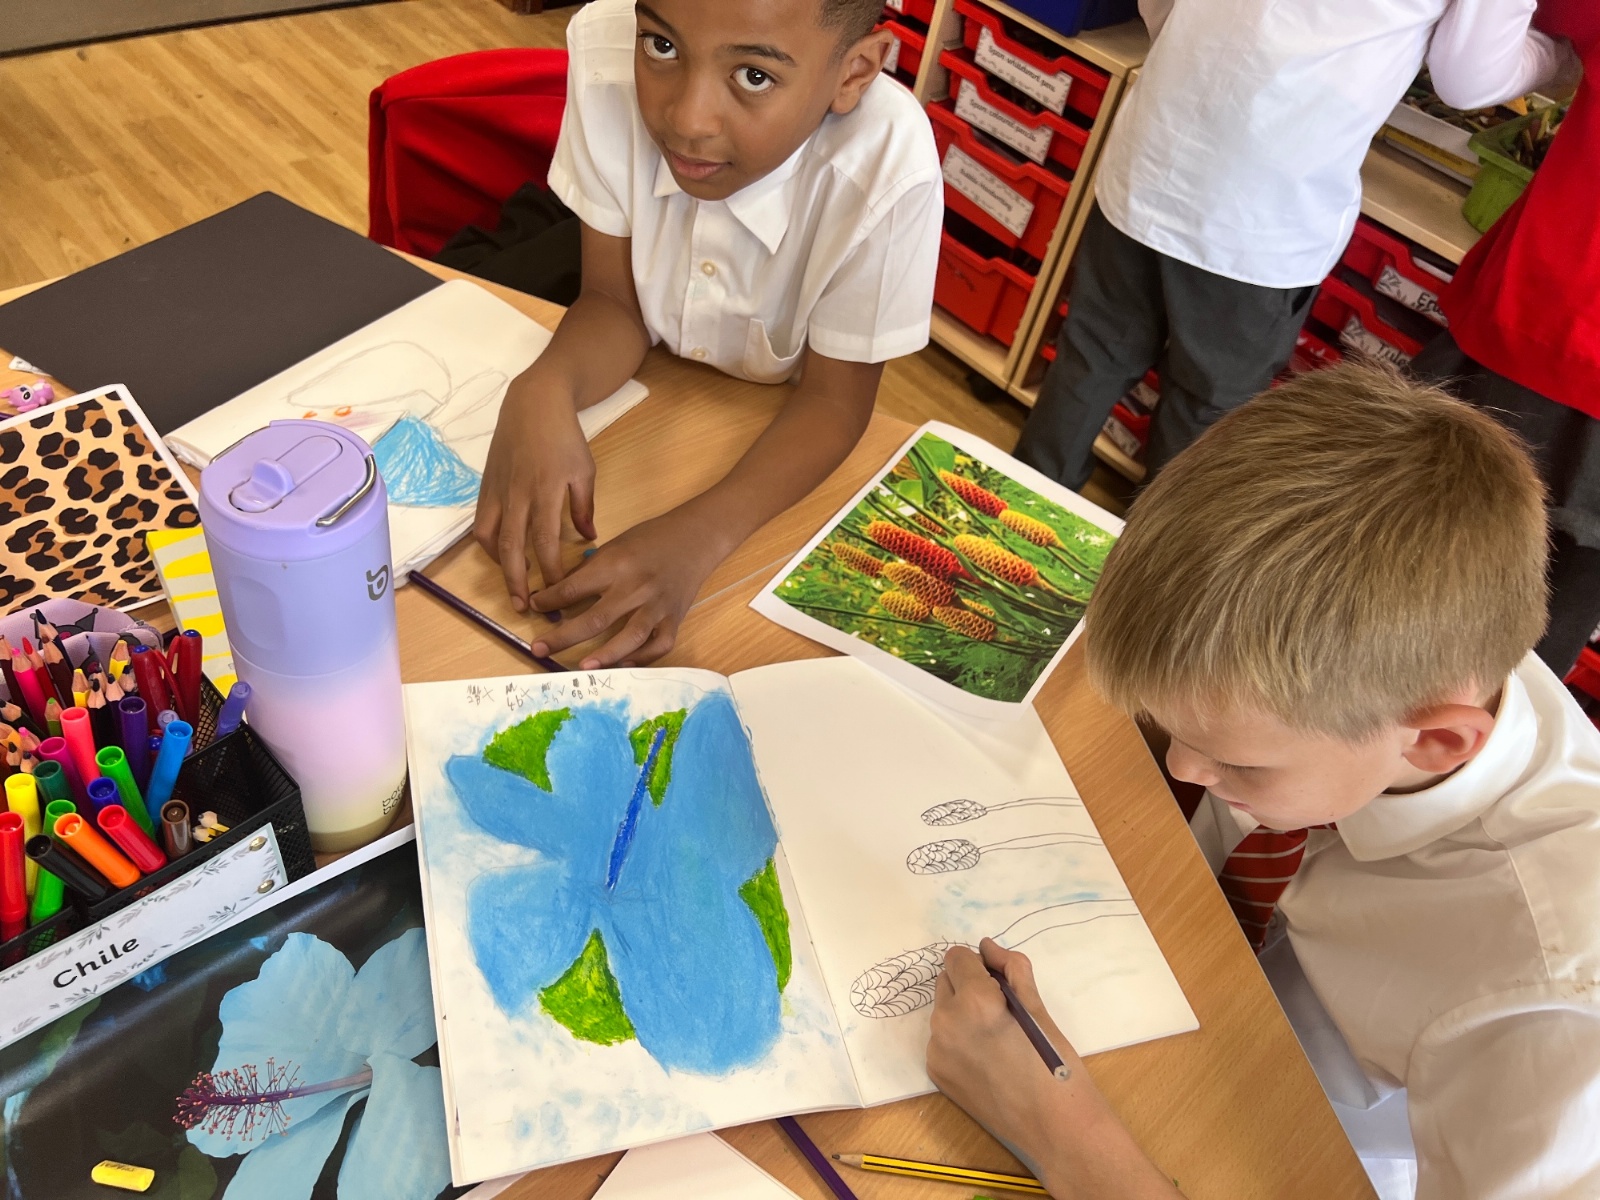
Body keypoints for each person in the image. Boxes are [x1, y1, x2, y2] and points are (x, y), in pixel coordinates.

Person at [929, 364, 1600, 1198]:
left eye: (1241, 764)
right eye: (1173, 730)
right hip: (1179, 969)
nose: (1183, 769)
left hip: (1297, 1148)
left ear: (1436, 743)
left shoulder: (1555, 997)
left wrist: (1061, 1136)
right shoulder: (1396, 657)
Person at [473, 0, 941, 668]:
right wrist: (544, 386)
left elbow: (834, 402)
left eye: (754, 76)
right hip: (659, 411)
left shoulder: (890, 165)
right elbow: (613, 302)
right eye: (661, 47)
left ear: (854, 72)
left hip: (770, 446)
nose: (687, 120)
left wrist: (701, 536)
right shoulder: (606, 57)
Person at [1013, 0, 1576, 493]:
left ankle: (1013, 521)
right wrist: (1556, 60)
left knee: (1091, 356)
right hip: (1265, 210)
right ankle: (1152, 566)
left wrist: (1201, 60)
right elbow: (1469, 79)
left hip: (1158, 146)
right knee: (1204, 412)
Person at [1412, 0, 1596, 676]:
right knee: (1560, 598)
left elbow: (1475, 64)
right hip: (1548, 315)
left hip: (1549, 309)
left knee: (1425, 534)